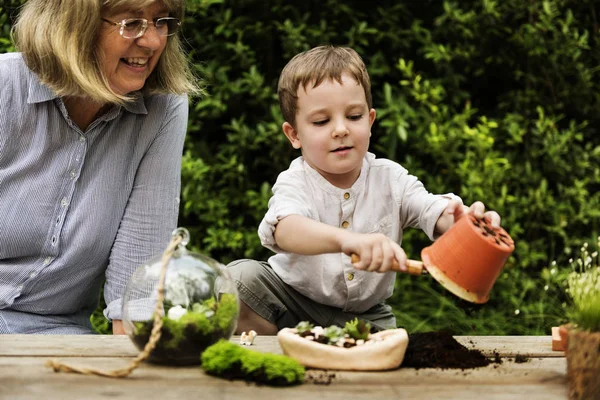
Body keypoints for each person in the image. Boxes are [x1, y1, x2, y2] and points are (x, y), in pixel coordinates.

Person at [226, 45, 501, 334]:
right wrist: (348, 241)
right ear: (294, 134)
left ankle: (337, 349)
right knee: (238, 279)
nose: (341, 129)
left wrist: (462, 224)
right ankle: (277, 347)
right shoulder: (296, 181)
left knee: (392, 350)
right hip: (293, 303)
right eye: (322, 121)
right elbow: (285, 229)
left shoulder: (391, 179)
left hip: (366, 317)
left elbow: (430, 209)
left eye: (354, 116)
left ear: (370, 121)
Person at [0, 0, 201, 334]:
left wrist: (135, 376)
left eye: (161, 21)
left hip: (58, 337)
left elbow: (136, 285)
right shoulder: (4, 87)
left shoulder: (163, 109)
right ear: (73, 25)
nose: (152, 41)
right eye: (131, 22)